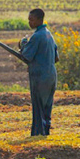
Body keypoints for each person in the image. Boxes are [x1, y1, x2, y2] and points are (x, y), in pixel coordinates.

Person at [19, 8, 59, 136]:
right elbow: (56, 58)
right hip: (51, 76)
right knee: (47, 107)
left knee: (38, 107)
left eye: (31, 20)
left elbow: (26, 56)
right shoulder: (49, 35)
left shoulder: (37, 36)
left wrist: (23, 43)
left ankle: (37, 134)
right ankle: (45, 132)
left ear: (38, 20)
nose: (29, 22)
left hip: (40, 77)